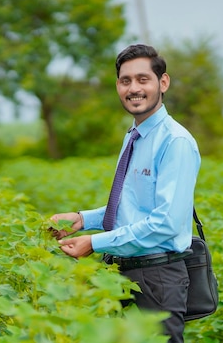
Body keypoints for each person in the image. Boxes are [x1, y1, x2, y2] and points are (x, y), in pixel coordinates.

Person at [50, 44, 201, 343]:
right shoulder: (134, 136)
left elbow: (165, 223)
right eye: (125, 80)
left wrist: (95, 243)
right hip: (124, 273)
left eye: (143, 79)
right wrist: (82, 220)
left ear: (163, 82)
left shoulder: (175, 141)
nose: (134, 88)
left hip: (159, 277)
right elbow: (131, 206)